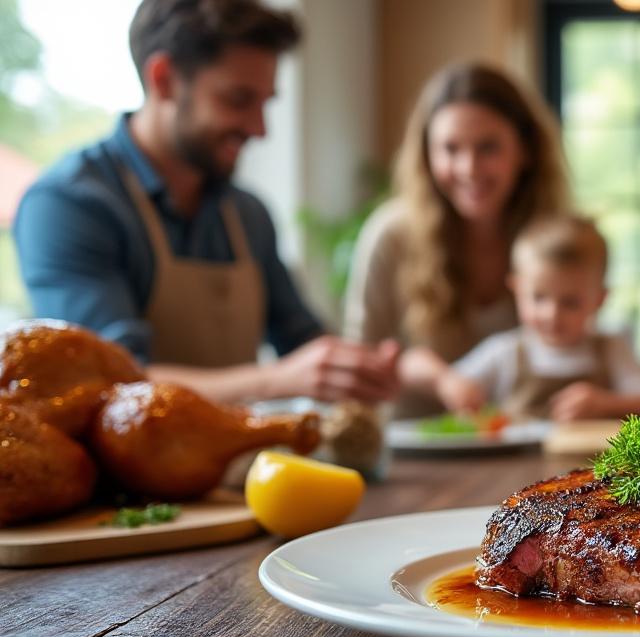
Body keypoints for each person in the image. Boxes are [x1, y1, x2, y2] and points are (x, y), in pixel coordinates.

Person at [14, 0, 397, 404]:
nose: (259, 128)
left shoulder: (247, 214)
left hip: (240, 466)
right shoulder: (69, 205)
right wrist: (276, 381)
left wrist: (362, 367)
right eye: (238, 100)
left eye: (266, 103)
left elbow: (300, 338)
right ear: (163, 79)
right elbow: (109, 382)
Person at [345, 63, 569, 417]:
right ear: (427, 156)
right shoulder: (390, 236)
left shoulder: (556, 241)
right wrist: (436, 379)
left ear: (525, 151)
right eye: (450, 149)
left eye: (488, 148)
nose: (469, 168)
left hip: (524, 449)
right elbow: (360, 364)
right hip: (414, 455)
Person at [439, 215, 640, 421]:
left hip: (594, 464)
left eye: (570, 302)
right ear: (516, 289)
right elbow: (455, 384)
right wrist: (461, 393)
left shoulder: (612, 348)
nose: (552, 314)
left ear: (600, 300)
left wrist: (605, 404)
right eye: (538, 298)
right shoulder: (504, 351)